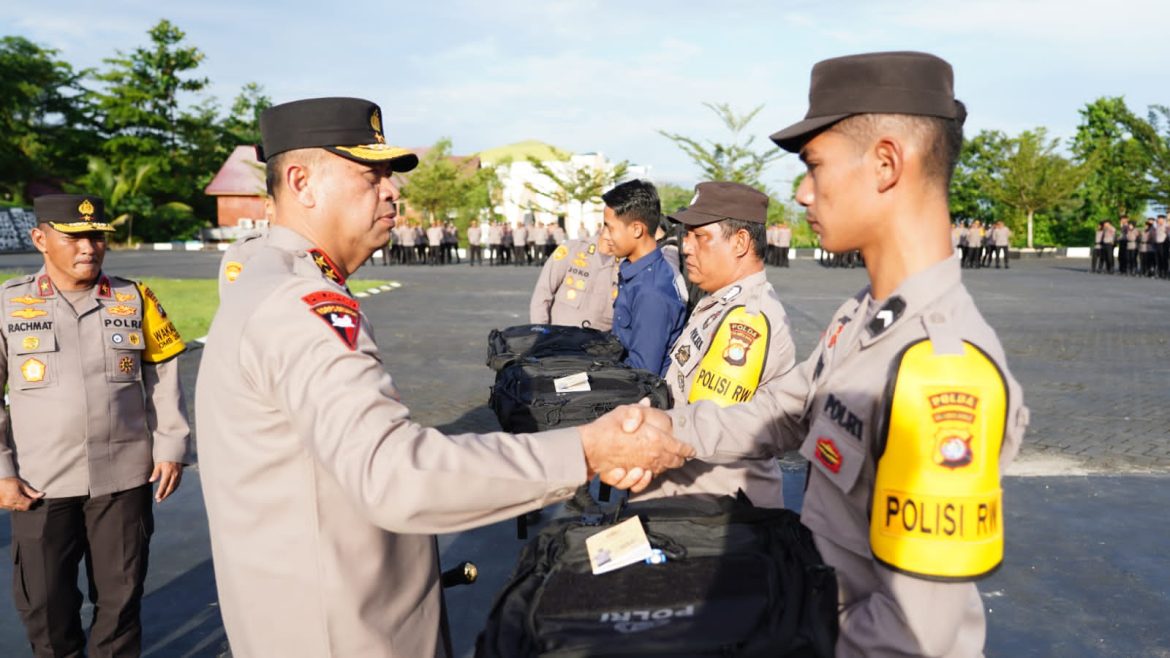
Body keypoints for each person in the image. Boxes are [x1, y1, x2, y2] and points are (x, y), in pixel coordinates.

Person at [195, 97, 692, 658]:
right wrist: (585, 450)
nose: (392, 190)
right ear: (302, 182)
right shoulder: (300, 302)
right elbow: (394, 473)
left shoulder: (265, 275)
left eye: (389, 175)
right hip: (342, 632)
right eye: (370, 174)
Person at [622, 52, 1030, 656]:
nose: (803, 192)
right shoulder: (862, 317)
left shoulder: (942, 369)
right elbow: (782, 412)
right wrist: (664, 432)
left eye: (815, 166)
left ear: (886, 164)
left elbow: (915, 634)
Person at [0, 194, 190, 657]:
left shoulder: (134, 297)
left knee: (121, 601)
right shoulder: (8, 304)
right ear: (41, 239)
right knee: (45, 604)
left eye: (97, 236)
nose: (90, 247)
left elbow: (162, 376)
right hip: (40, 481)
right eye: (76, 236)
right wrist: (2, 470)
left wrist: (171, 445)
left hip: (123, 478)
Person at [634, 181, 797, 507]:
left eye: (700, 236)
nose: (686, 247)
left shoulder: (746, 320)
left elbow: (707, 428)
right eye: (687, 235)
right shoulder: (720, 301)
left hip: (711, 506)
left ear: (740, 242)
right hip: (689, 496)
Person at [602, 179, 687, 377]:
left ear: (637, 229)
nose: (605, 235)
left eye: (610, 227)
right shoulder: (638, 271)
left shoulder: (651, 292)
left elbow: (641, 375)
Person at [529, 235, 617, 330]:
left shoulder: (627, 264)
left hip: (600, 342)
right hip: (559, 338)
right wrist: (540, 332)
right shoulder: (572, 249)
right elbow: (543, 292)